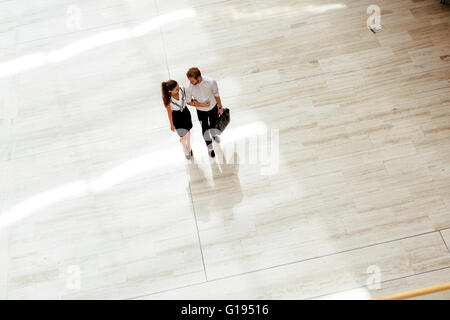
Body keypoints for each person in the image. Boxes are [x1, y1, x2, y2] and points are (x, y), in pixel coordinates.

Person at [185, 67, 224, 158]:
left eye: (192, 80)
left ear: (198, 78)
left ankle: (214, 135)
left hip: (213, 108)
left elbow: (216, 95)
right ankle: (209, 147)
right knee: (205, 128)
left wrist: (220, 107)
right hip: (201, 111)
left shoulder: (211, 82)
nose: (190, 82)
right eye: (189, 80)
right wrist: (201, 105)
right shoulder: (188, 87)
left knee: (214, 124)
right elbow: (188, 101)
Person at [161, 80, 194, 160]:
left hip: (185, 113)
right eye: (176, 89)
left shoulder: (181, 90)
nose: (178, 89)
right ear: (170, 91)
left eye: (178, 87)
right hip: (177, 116)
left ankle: (189, 146)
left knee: (188, 131)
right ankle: (184, 149)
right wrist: (171, 124)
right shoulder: (168, 100)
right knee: (182, 135)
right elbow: (169, 113)